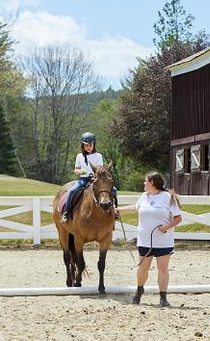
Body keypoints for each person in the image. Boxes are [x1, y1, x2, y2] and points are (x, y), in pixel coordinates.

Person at [117, 171, 182, 307]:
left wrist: (166, 227)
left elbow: (178, 218)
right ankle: (139, 290)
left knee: (162, 268)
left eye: (145, 181)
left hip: (163, 241)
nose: (144, 183)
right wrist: (118, 209)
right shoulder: (143, 196)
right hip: (145, 240)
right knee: (143, 268)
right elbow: (135, 207)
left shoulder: (168, 197)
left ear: (152, 183)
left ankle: (163, 297)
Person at [61, 132, 106, 223]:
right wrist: (81, 171)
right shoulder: (79, 156)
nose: (88, 147)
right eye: (86, 145)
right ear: (82, 146)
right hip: (84, 179)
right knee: (72, 191)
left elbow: (100, 168)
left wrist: (96, 174)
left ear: (94, 144)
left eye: (90, 145)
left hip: (96, 180)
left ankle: (114, 212)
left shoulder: (98, 156)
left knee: (113, 190)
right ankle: (66, 212)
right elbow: (76, 169)